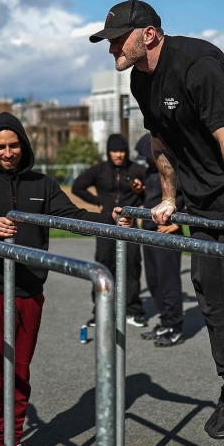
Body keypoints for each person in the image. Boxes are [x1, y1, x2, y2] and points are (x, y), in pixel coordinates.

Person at [92, 0, 224, 440]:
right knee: (208, 286)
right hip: (201, 195)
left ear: (149, 34)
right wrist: (168, 197)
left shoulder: (197, 64)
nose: (111, 50)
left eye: (117, 40)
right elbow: (161, 143)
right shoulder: (141, 80)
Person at [0, 112, 114, 446]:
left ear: (23, 146)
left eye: (13, 145)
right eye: (0, 146)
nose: (7, 153)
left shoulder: (42, 185)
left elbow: (72, 215)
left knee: (21, 371)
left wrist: (110, 219)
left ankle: (14, 443)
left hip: (29, 289)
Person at [72, 133, 148, 327]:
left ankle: (133, 310)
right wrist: (97, 201)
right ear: (108, 152)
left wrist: (140, 192)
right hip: (105, 223)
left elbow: (151, 193)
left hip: (129, 225)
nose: (118, 155)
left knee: (132, 265)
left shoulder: (137, 169)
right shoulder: (99, 170)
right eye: (114, 151)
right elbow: (77, 186)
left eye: (122, 151)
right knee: (104, 265)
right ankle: (100, 311)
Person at [135, 133, 185, 347]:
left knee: (169, 282)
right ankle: (165, 321)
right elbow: (149, 199)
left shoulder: (175, 172)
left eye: (148, 156)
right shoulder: (148, 173)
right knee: (154, 281)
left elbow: (191, 199)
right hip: (149, 234)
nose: (145, 160)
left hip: (168, 235)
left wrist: (178, 223)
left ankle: (175, 327)